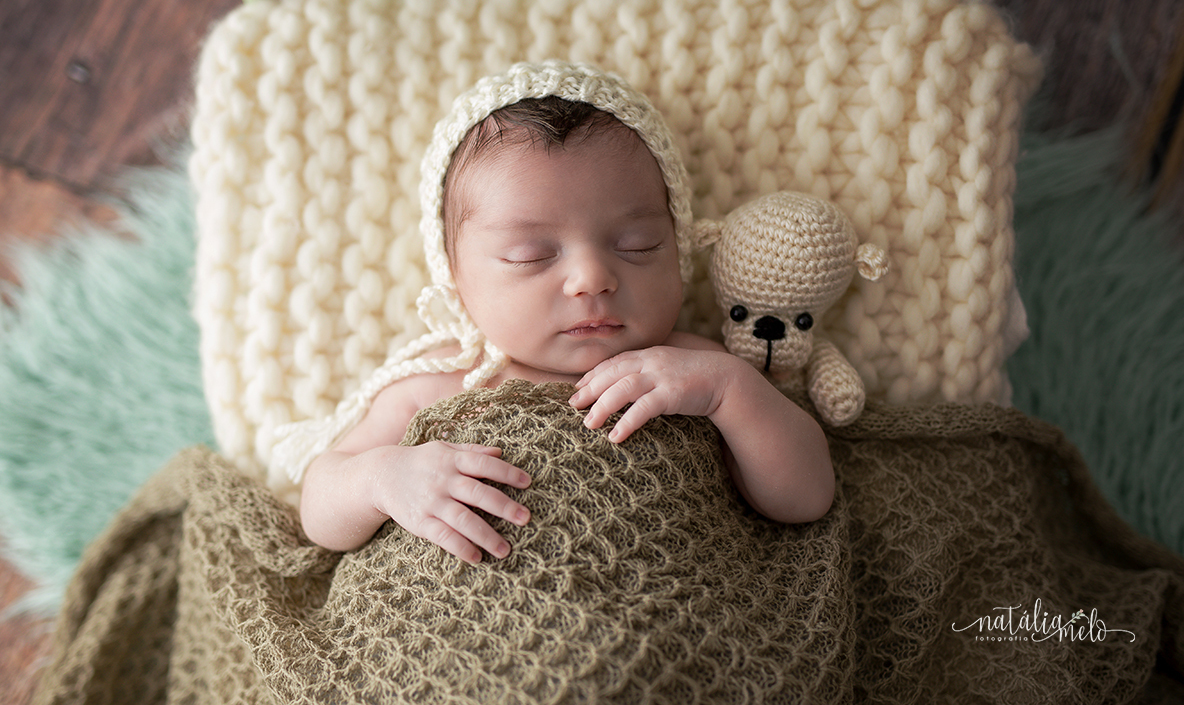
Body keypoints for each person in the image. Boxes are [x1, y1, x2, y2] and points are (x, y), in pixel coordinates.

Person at [288, 61, 834, 563]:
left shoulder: (692, 370)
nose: (592, 278)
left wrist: (731, 391)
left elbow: (807, 497)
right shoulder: (439, 379)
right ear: (455, 278)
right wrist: (384, 479)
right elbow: (320, 507)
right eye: (531, 255)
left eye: (638, 244)